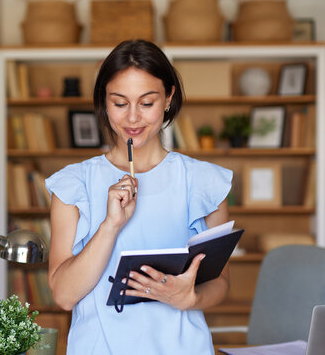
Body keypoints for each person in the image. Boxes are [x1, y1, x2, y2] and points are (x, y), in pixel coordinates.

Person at [45, 39, 233, 355]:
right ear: (104, 102)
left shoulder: (204, 181)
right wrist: (110, 226)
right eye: (120, 104)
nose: (133, 119)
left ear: (169, 98)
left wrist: (192, 298)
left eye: (146, 103)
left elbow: (222, 283)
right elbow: (64, 296)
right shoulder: (72, 184)